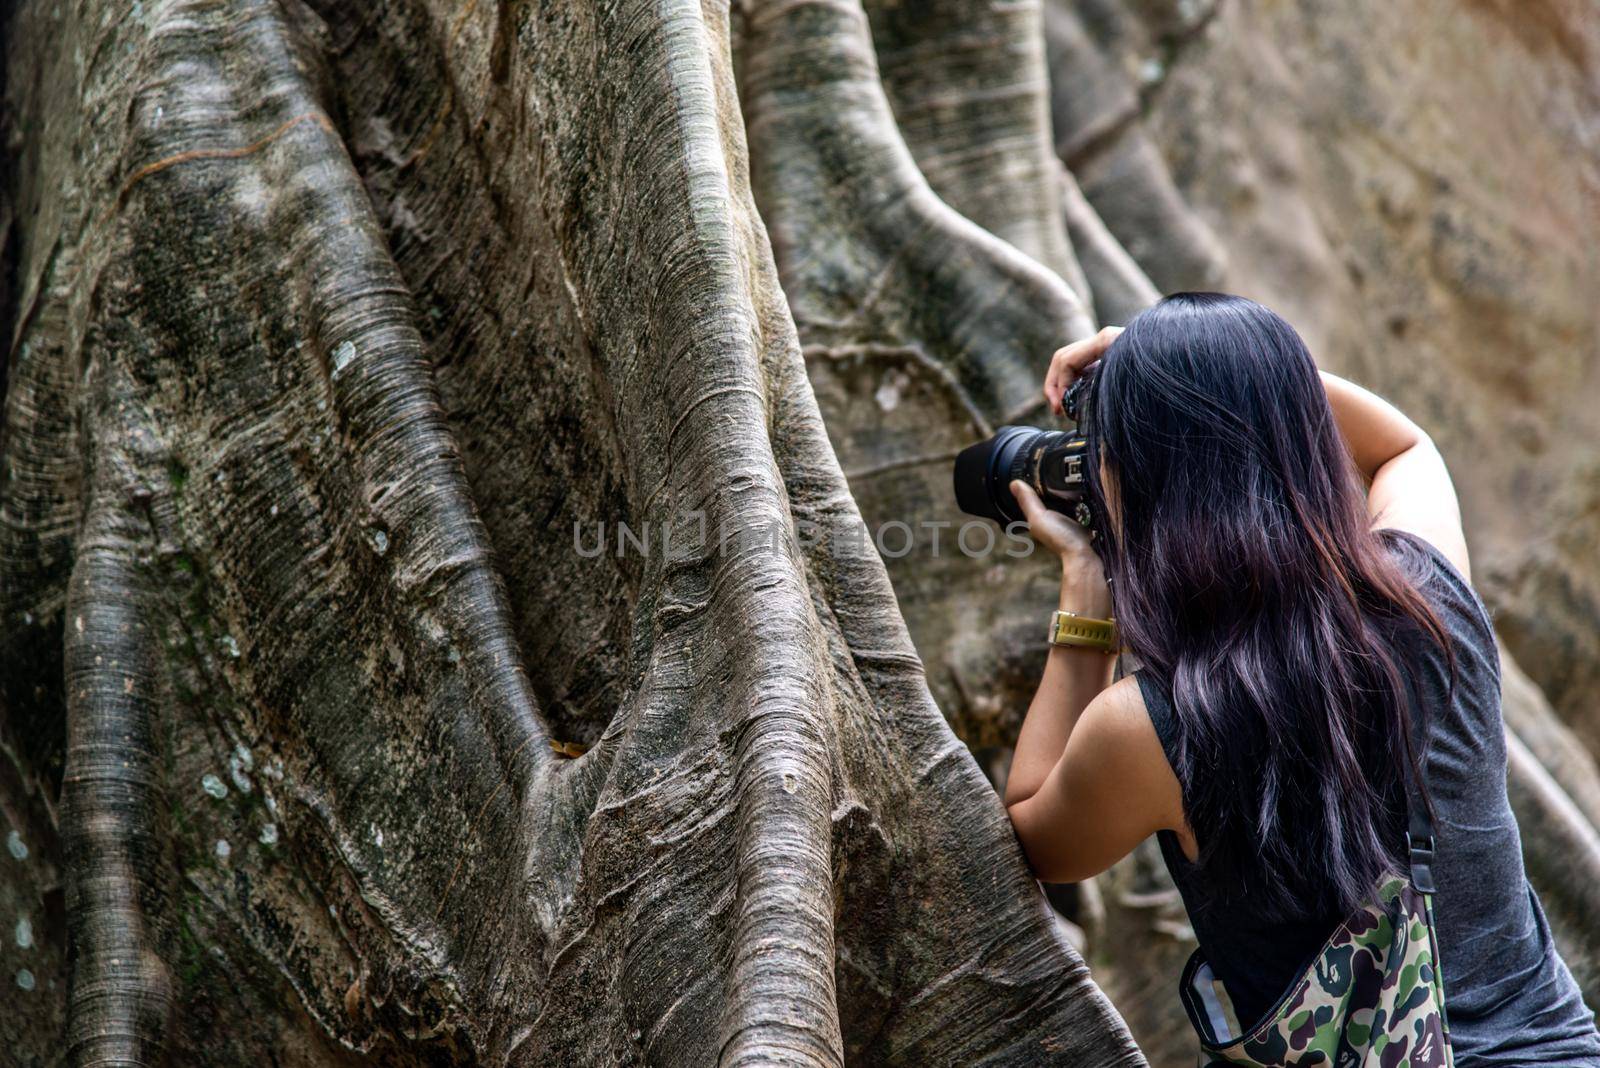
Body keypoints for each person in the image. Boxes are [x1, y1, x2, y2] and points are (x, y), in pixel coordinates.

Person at [1002, 292, 1600, 1065]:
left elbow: (1036, 838)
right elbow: (1404, 447)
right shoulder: (1429, 601)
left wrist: (1086, 597)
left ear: (1135, 480)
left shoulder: (1152, 725)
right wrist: (1236, 373)